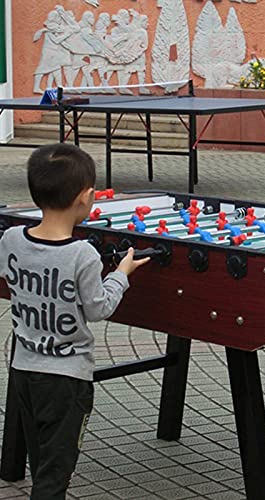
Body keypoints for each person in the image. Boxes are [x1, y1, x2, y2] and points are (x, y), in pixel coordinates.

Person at [0, 144, 150, 499]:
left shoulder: (10, 240)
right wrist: (121, 274)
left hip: (23, 371)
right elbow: (99, 308)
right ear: (87, 197)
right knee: (55, 474)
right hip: (67, 381)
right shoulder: (83, 254)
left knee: (43, 461)